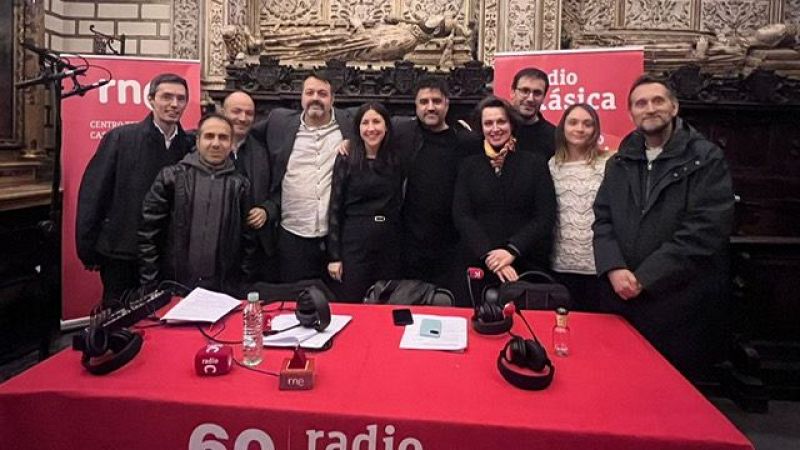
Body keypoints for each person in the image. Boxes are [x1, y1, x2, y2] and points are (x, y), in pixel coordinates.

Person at [592, 75, 735, 379]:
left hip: (677, 302)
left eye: (658, 101)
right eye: (640, 103)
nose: (650, 109)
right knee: (621, 383)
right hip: (622, 295)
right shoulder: (619, 161)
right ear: (631, 113)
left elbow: (705, 229)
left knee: (671, 394)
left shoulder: (705, 158)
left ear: (674, 107)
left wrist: (645, 277)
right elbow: (603, 218)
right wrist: (614, 267)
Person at [76, 73, 192, 306]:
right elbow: (94, 195)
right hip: (122, 252)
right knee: (117, 323)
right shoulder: (121, 138)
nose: (174, 104)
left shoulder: (190, 146)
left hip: (168, 256)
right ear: (151, 99)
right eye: (167, 97)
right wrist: (87, 248)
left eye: (181, 99)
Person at [251, 73, 355, 283]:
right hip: (292, 235)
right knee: (293, 302)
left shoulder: (350, 123)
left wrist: (356, 144)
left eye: (322, 93)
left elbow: (381, 127)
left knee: (337, 304)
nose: (315, 98)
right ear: (301, 97)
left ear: (333, 99)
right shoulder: (278, 122)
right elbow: (247, 135)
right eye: (310, 93)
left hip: (335, 238)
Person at [138, 114, 254, 296]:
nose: (216, 143)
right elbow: (148, 235)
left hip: (223, 292)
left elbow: (248, 242)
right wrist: (151, 285)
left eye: (223, 137)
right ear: (198, 141)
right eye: (209, 136)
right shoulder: (171, 178)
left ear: (232, 144)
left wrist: (241, 287)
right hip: (174, 289)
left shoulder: (240, 185)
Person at [453, 96, 556, 292]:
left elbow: (545, 216)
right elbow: (462, 215)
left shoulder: (535, 163)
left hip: (524, 262)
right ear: (481, 128)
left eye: (501, 121)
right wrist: (490, 256)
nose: (495, 128)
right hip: (478, 262)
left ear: (511, 124)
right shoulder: (469, 166)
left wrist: (511, 251)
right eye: (488, 123)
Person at [394, 77, 478, 303]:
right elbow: (367, 129)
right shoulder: (402, 134)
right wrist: (349, 142)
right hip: (410, 243)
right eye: (424, 101)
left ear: (447, 104)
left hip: (452, 246)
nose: (430, 107)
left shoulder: (466, 141)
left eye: (436, 101)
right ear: (416, 105)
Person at [326, 103, 404, 301]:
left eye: (377, 121)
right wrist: (334, 257)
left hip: (389, 242)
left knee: (387, 302)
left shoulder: (397, 158)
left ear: (386, 126)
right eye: (365, 123)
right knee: (352, 300)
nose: (371, 128)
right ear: (358, 128)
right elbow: (335, 207)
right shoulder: (346, 158)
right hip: (354, 242)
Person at [548, 104, 608, 310]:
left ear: (595, 129)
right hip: (560, 264)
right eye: (573, 122)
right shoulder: (552, 165)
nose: (580, 129)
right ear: (563, 127)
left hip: (598, 265)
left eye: (587, 124)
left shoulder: (608, 164)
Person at [221, 91, 277, 282]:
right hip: (217, 248)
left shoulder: (265, 150)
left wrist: (267, 210)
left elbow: (278, 191)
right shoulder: (205, 146)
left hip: (256, 250)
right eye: (236, 111)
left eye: (249, 113)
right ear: (222, 112)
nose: (243, 118)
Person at [509, 67, 556, 158]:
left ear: (544, 97)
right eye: (524, 91)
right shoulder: (497, 130)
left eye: (537, 93)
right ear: (512, 93)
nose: (530, 99)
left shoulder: (554, 137)